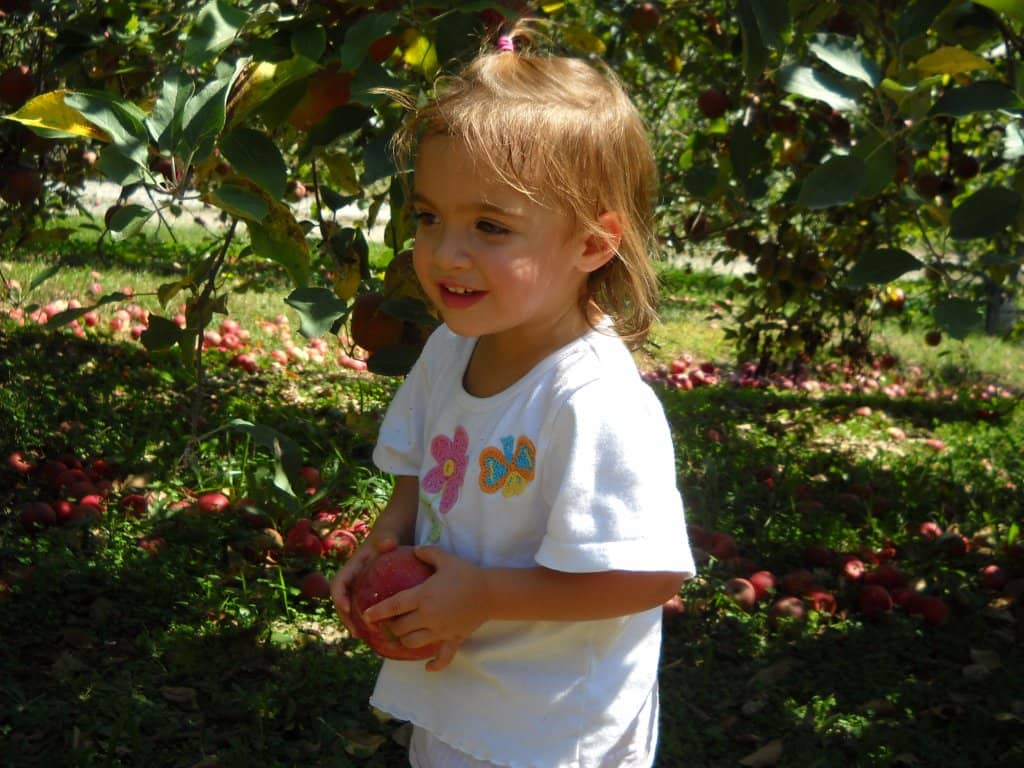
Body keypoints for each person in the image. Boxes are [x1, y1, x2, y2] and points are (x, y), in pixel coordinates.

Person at [331, 23, 695, 768]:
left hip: (555, 722)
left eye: (490, 226)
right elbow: (416, 466)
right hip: (460, 683)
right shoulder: (449, 348)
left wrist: (485, 596)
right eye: (429, 216)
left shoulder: (593, 399)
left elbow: (649, 574)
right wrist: (383, 543)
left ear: (593, 244)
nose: (444, 253)